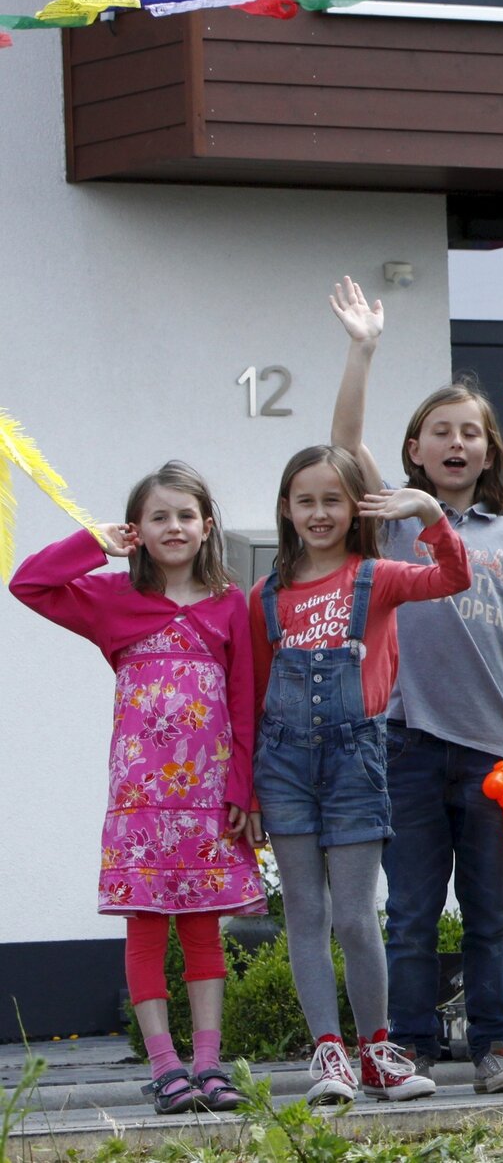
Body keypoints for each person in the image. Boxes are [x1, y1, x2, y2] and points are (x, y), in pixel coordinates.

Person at [327, 279, 503, 1094]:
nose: (456, 443)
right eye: (439, 432)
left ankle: (493, 1047)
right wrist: (363, 349)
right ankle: (409, 1048)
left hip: (493, 753)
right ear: (415, 449)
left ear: (489, 453)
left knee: (492, 913)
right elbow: (344, 446)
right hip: (407, 745)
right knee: (412, 913)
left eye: (471, 433)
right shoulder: (391, 521)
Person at [10, 465, 267, 1115]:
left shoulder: (229, 604)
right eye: (159, 517)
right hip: (141, 807)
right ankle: (165, 1068)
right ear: (139, 530)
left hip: (209, 805)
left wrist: (246, 790)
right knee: (146, 931)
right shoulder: (110, 599)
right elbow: (28, 583)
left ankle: (209, 1065)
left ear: (207, 525)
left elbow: (245, 700)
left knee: (206, 932)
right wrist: (94, 544)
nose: (173, 527)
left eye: (185, 515)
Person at [250, 445, 465, 1105]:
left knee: (353, 916)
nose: (319, 513)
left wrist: (430, 512)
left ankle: (376, 1051)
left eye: (332, 500)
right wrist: (248, 791)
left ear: (353, 509)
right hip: (283, 766)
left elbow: (452, 577)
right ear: (286, 509)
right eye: (306, 500)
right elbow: (252, 693)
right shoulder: (265, 596)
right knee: (305, 914)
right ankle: (329, 1056)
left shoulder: (378, 576)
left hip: (355, 761)